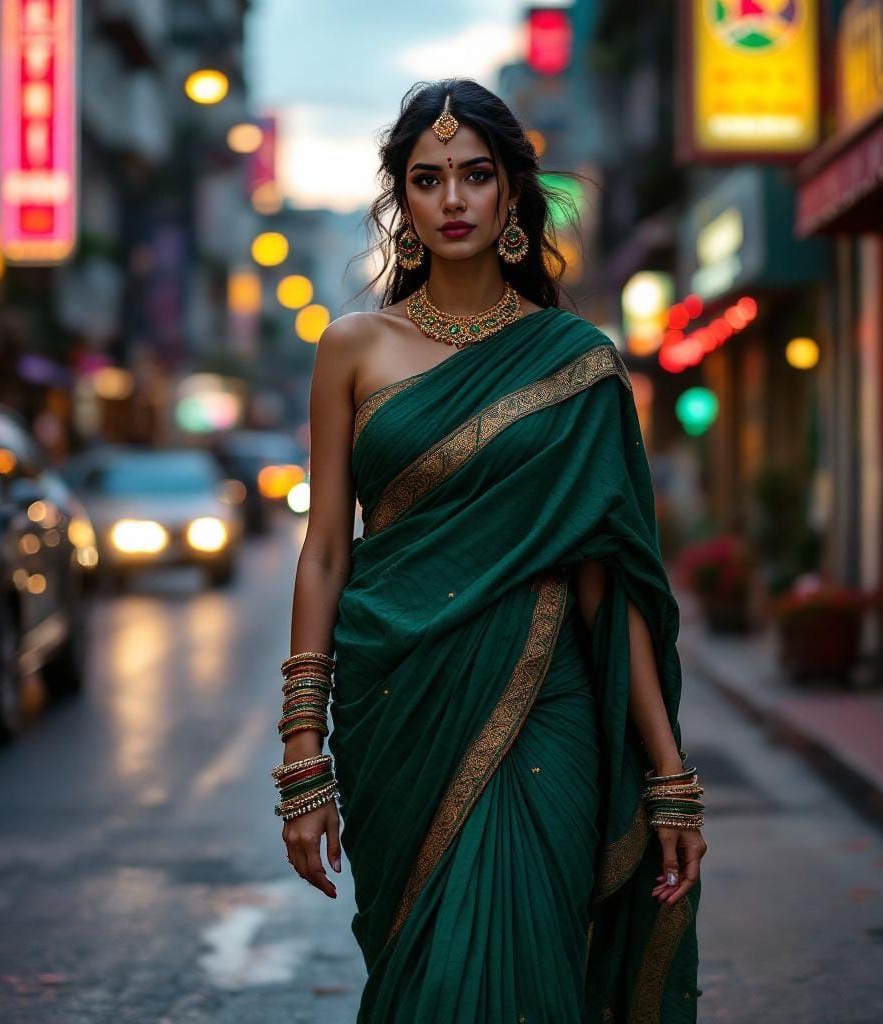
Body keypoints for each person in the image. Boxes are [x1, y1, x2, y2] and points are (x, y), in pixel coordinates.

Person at [274, 78, 707, 1023]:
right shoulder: (352, 347)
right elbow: (323, 557)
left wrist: (669, 777)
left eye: (476, 175)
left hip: (543, 711)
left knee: (527, 973)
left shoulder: (575, 362)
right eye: (428, 180)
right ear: (403, 199)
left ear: (513, 192)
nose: (455, 199)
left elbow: (608, 584)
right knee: (425, 978)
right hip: (397, 701)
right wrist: (303, 756)